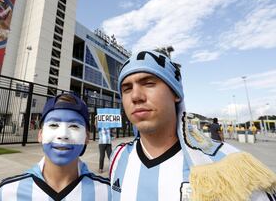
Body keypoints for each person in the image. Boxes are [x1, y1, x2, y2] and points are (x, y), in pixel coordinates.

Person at [109, 50, 276, 201]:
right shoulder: (118, 156)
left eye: (148, 83)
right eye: (127, 88)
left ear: (175, 93)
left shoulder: (231, 166)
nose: (136, 96)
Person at [0, 93, 111, 200]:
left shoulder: (108, 193)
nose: (63, 135)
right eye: (54, 124)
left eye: (74, 126)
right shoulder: (7, 193)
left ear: (86, 137)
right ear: (40, 135)